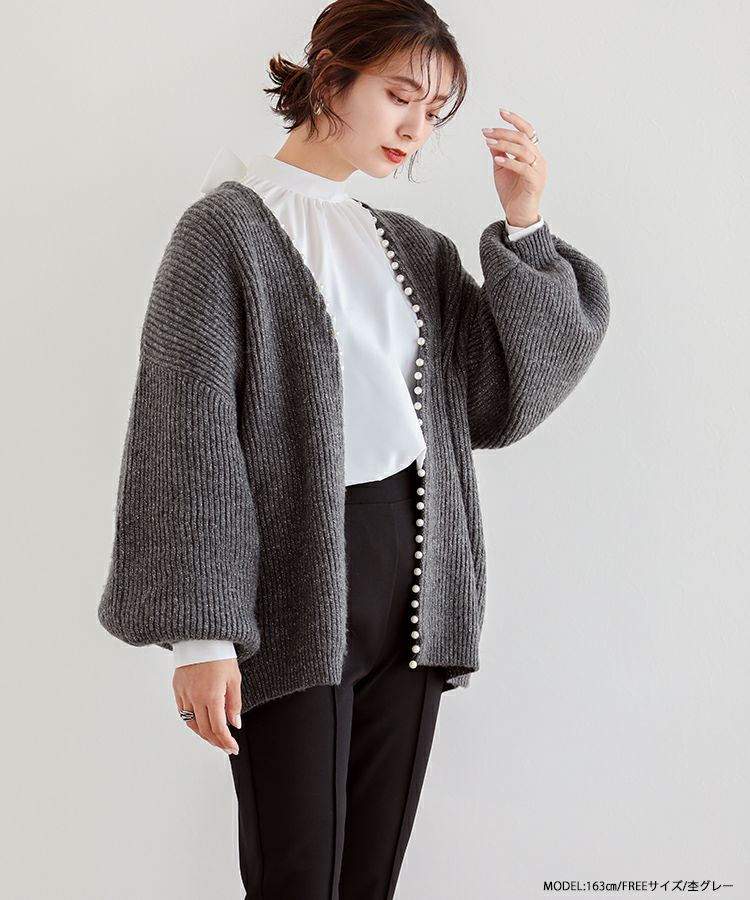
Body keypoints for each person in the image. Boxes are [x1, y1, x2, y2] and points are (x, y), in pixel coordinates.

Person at [97, 1, 610, 896]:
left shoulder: (415, 249)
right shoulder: (223, 232)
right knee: (297, 874)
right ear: (331, 76)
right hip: (292, 582)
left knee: (370, 879)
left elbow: (503, 400)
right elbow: (187, 434)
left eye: (434, 111)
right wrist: (201, 637)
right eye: (399, 95)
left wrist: (526, 225)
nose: (414, 129)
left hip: (416, 586)